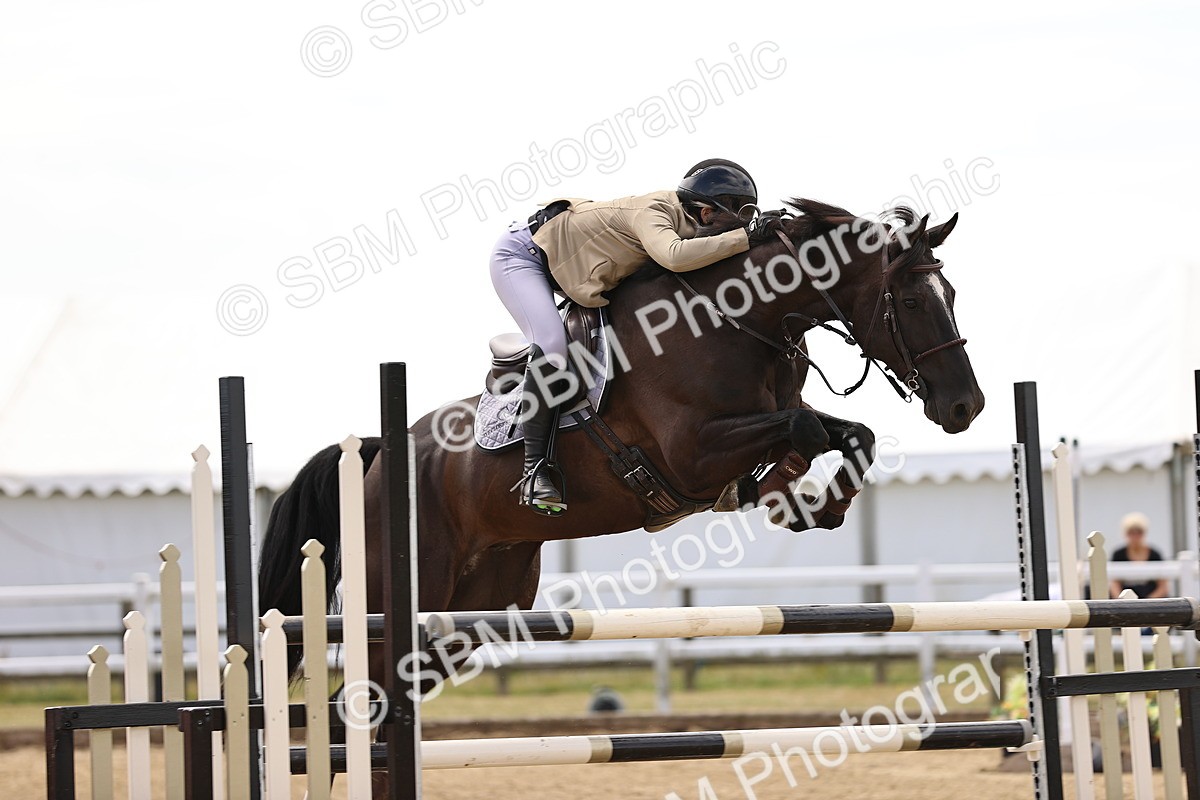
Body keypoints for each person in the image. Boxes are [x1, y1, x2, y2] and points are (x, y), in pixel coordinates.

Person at [488, 159, 784, 515]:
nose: (731, 230)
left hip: (577, 269)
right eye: (728, 220)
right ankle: (534, 471)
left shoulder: (691, 225)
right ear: (705, 212)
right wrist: (746, 237)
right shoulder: (655, 210)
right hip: (523, 257)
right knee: (552, 345)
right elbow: (673, 257)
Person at [1108, 512, 1168, 600]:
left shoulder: (1155, 554)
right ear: (1125, 533)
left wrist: (1149, 601)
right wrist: (1120, 601)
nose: (1135, 536)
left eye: (1139, 532)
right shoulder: (1118, 554)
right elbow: (1114, 584)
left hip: (1151, 601)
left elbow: (1163, 586)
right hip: (1125, 601)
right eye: (1131, 532)